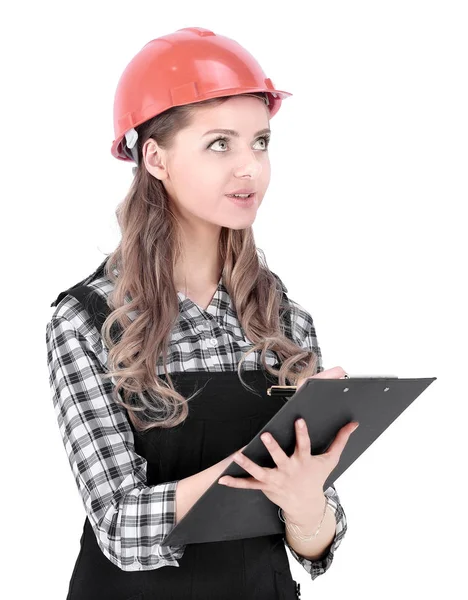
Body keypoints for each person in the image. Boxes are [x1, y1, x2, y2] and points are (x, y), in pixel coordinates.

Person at [46, 26, 358, 600]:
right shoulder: (88, 321)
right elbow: (119, 527)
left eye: (260, 142)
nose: (250, 168)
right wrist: (258, 468)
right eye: (221, 143)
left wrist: (305, 500)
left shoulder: (284, 322)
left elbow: (317, 544)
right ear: (156, 157)